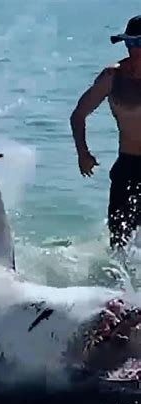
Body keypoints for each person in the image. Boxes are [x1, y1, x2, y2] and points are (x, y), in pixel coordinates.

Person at [70, 15, 141, 249]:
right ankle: (116, 285)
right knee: (119, 240)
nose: (134, 51)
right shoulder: (113, 77)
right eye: (130, 44)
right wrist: (83, 153)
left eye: (139, 44)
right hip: (128, 167)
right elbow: (79, 114)